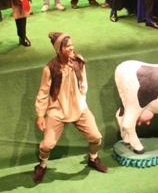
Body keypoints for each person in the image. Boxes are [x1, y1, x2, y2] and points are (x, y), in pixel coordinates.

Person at [33, 31, 107, 183]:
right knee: (47, 144)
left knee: (96, 137)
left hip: (79, 107)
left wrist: (81, 100)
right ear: (59, 49)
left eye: (72, 45)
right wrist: (40, 115)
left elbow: (84, 82)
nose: (71, 48)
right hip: (57, 110)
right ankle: (42, 165)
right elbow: (43, 92)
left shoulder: (79, 61)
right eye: (67, 46)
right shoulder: (50, 69)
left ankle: (93, 158)